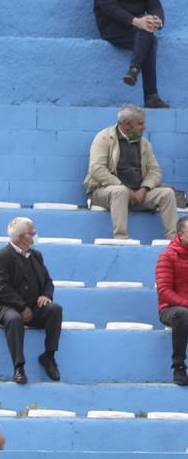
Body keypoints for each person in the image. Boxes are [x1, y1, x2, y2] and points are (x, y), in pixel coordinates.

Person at [86, 104, 180, 239]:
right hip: (105, 192)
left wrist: (144, 189)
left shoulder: (144, 143)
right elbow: (97, 169)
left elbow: (154, 170)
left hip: (137, 195)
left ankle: (173, 239)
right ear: (126, 124)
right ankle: (121, 238)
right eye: (140, 123)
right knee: (120, 192)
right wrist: (124, 188)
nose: (144, 127)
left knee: (167, 193)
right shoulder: (104, 138)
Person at [0, 217, 62, 384]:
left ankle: (49, 356)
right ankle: (19, 366)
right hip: (8, 307)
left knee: (55, 310)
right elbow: (1, 289)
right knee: (14, 319)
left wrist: (46, 296)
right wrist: (22, 308)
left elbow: (48, 281)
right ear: (21, 237)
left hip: (34, 305)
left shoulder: (36, 256)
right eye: (31, 232)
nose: (35, 234)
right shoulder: (1, 257)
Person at [95, 0, 165, 109]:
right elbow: (108, 7)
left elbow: (154, 4)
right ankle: (151, 95)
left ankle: (134, 71)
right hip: (113, 28)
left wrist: (157, 20)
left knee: (149, 35)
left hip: (138, 29)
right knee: (149, 37)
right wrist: (136, 21)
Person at [158, 218, 188, 386]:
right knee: (184, 314)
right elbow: (164, 292)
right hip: (170, 309)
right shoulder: (167, 256)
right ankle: (179, 366)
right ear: (180, 235)